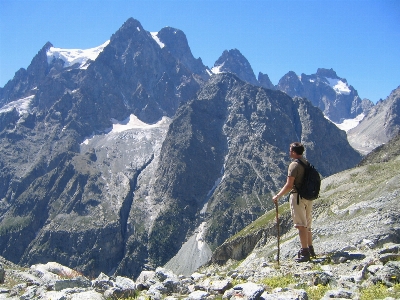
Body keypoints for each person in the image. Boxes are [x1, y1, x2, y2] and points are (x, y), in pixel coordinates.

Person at [272, 142, 316, 262]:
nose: (289, 152)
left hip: (298, 197)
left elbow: (289, 185)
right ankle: (310, 249)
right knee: (307, 225)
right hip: (308, 197)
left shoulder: (294, 165)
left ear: (294, 152)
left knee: (301, 225)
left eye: (290, 150)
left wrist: (278, 196)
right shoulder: (306, 162)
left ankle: (304, 252)